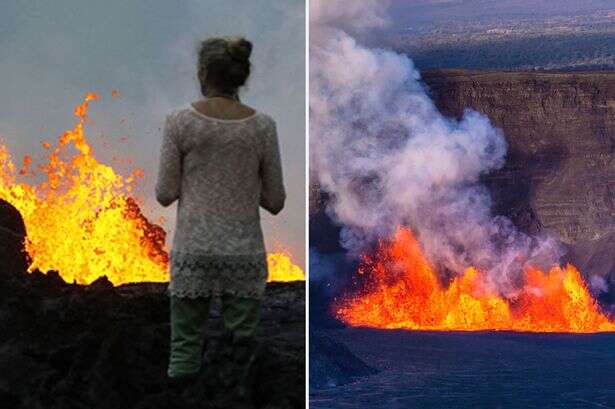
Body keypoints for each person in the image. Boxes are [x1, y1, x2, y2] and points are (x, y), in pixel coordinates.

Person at [155, 36, 286, 387]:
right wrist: (239, 180)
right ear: (241, 76)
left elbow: (165, 193)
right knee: (241, 353)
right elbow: (275, 201)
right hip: (243, 255)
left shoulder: (179, 122)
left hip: (194, 252)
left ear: (202, 74)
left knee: (183, 352)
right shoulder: (263, 127)